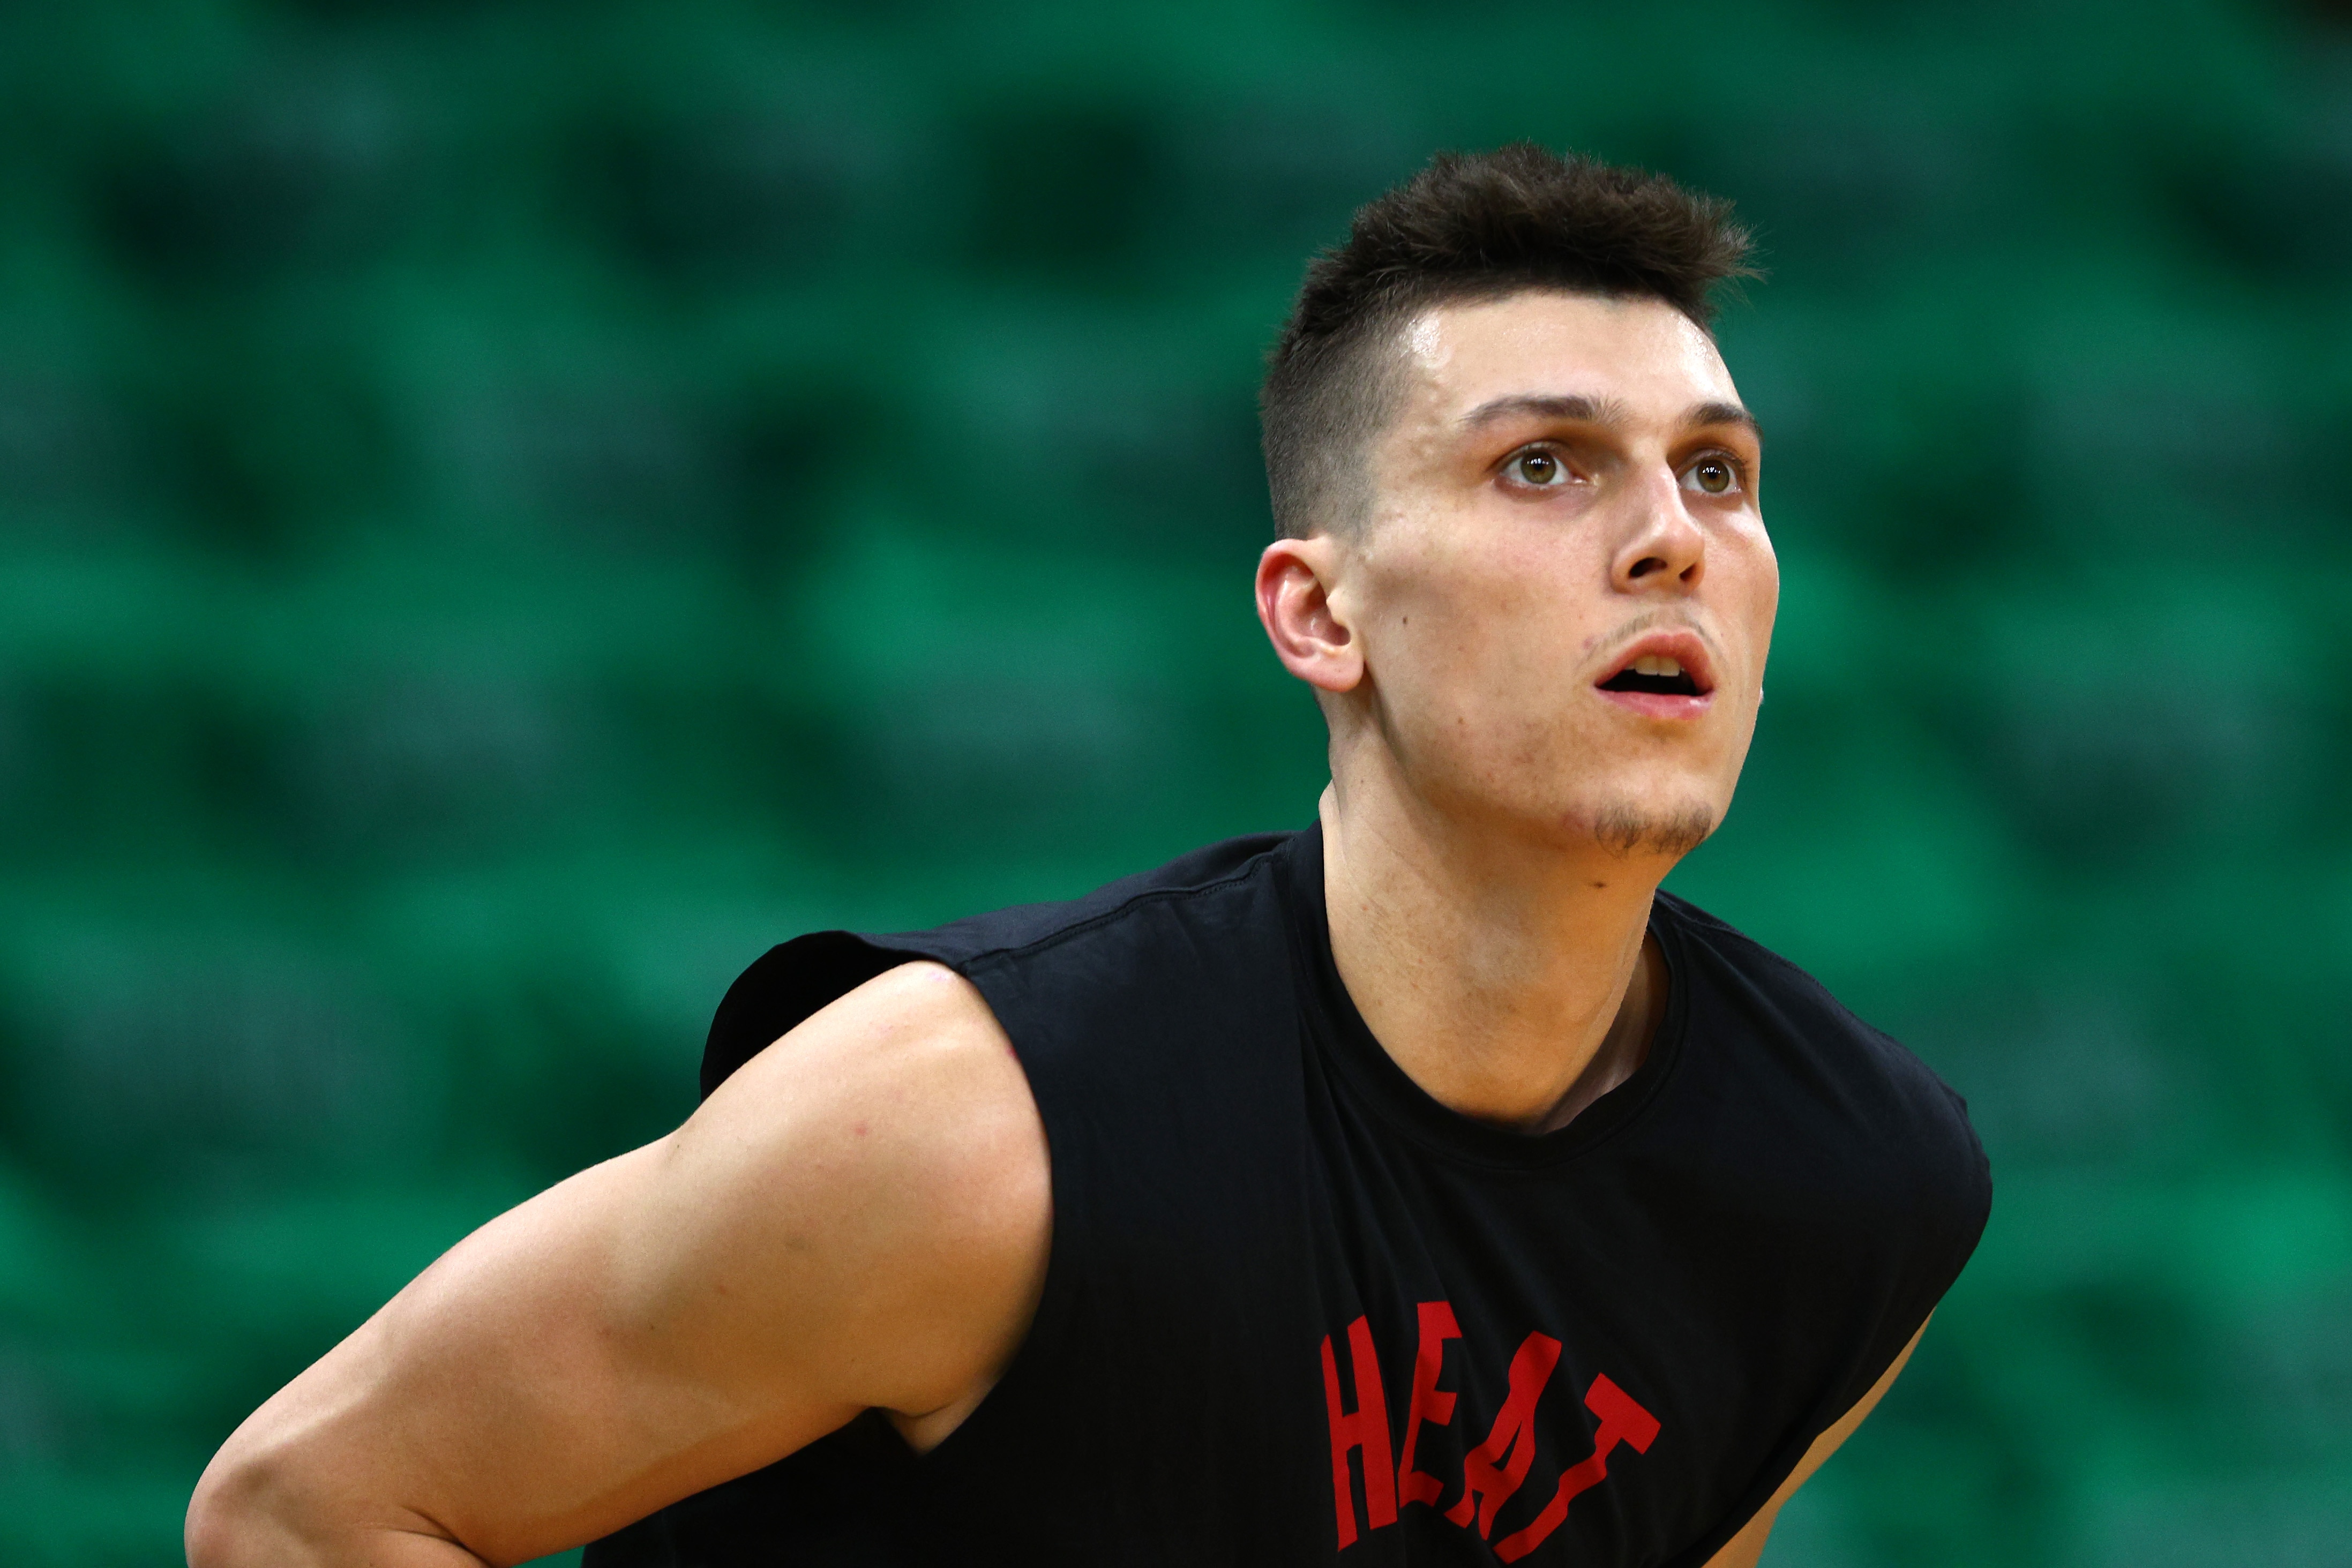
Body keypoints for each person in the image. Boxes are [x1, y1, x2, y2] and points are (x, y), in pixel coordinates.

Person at [185, 144, 1989, 1568]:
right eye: (1545, 468)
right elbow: (307, 1509)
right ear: (1320, 613)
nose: (1672, 536)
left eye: (1720, 474)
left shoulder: (1849, 1189)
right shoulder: (969, 1128)